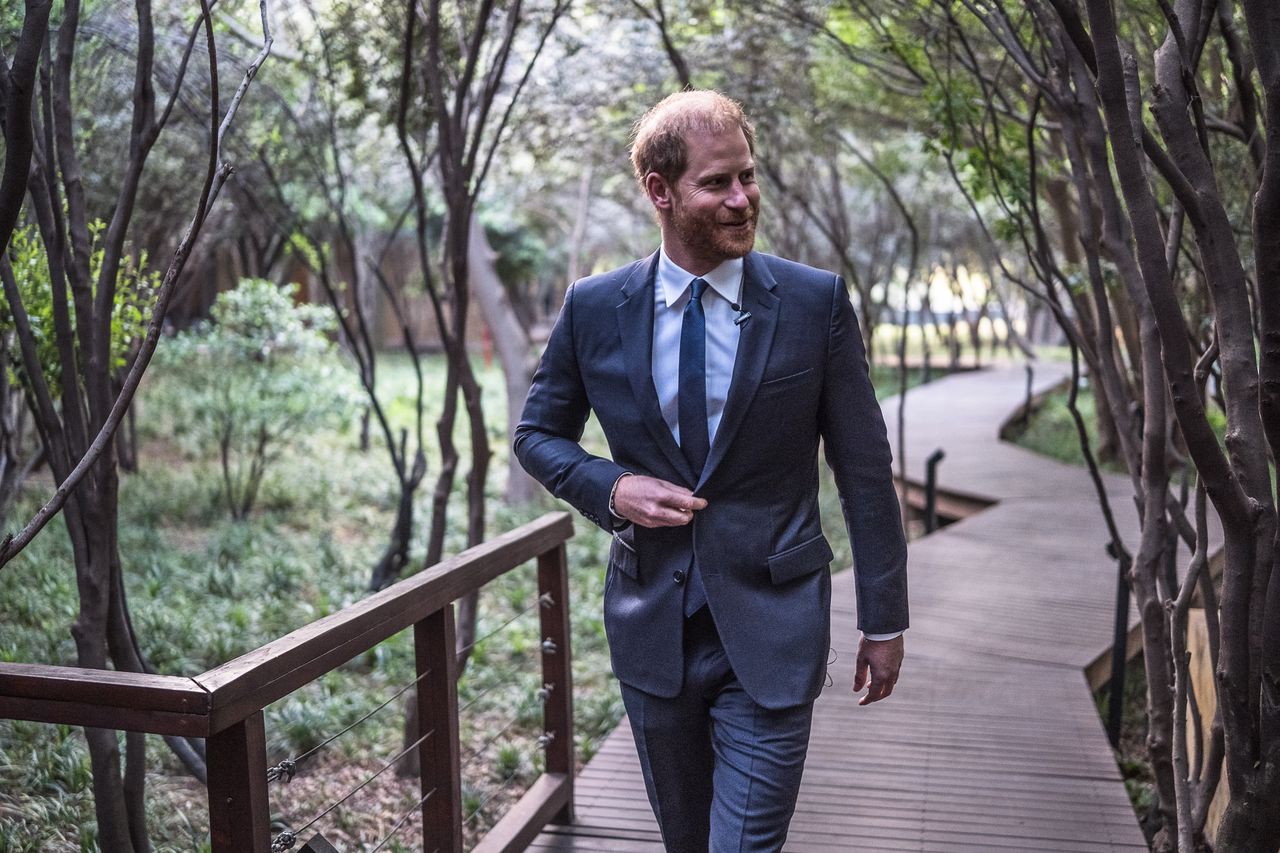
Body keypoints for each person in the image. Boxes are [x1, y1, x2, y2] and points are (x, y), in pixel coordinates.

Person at [514, 90, 908, 853]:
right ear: (660, 192)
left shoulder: (812, 301)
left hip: (775, 622)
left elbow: (864, 467)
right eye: (717, 184)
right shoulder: (594, 307)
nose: (742, 199)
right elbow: (538, 434)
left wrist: (883, 616)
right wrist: (613, 487)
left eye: (748, 178)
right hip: (652, 627)